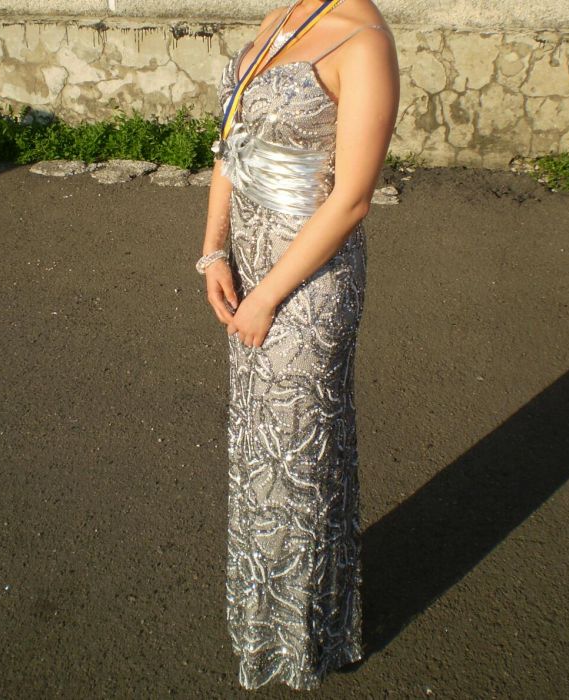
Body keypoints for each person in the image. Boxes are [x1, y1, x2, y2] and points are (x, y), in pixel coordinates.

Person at [197, 0, 399, 690]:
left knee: (301, 455)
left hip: (307, 284)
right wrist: (213, 249)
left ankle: (307, 635)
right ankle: (264, 620)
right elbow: (231, 140)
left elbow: (351, 199)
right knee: (260, 448)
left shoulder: (364, 43)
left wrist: (267, 297)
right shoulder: (283, 14)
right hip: (248, 265)